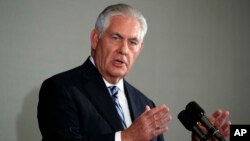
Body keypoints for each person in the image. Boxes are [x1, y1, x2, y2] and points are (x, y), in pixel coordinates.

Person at [37, 3, 231, 141]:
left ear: (140, 49)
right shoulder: (60, 89)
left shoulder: (145, 104)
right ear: (95, 38)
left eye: (133, 42)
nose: (124, 49)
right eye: (115, 37)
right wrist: (126, 138)